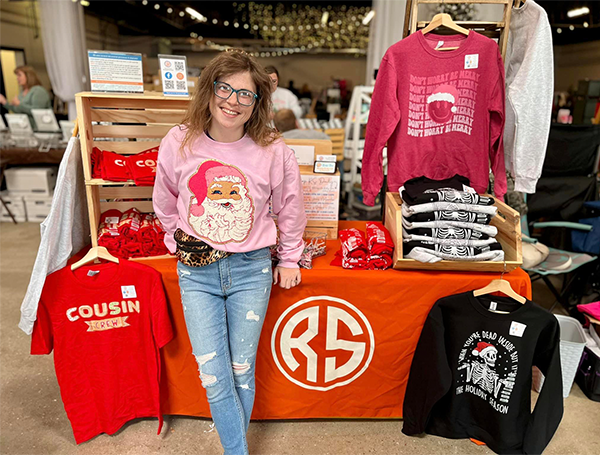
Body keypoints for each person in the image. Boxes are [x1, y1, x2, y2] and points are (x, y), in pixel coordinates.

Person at [153, 49, 306, 455]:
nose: (232, 101)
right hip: (196, 272)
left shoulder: (273, 148)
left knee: (241, 369)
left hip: (249, 269)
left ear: (258, 102)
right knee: (212, 373)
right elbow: (165, 199)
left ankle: (232, 451)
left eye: (246, 94)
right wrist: (175, 240)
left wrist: (290, 257)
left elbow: (290, 207)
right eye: (225, 88)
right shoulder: (178, 140)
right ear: (209, 89)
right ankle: (237, 450)